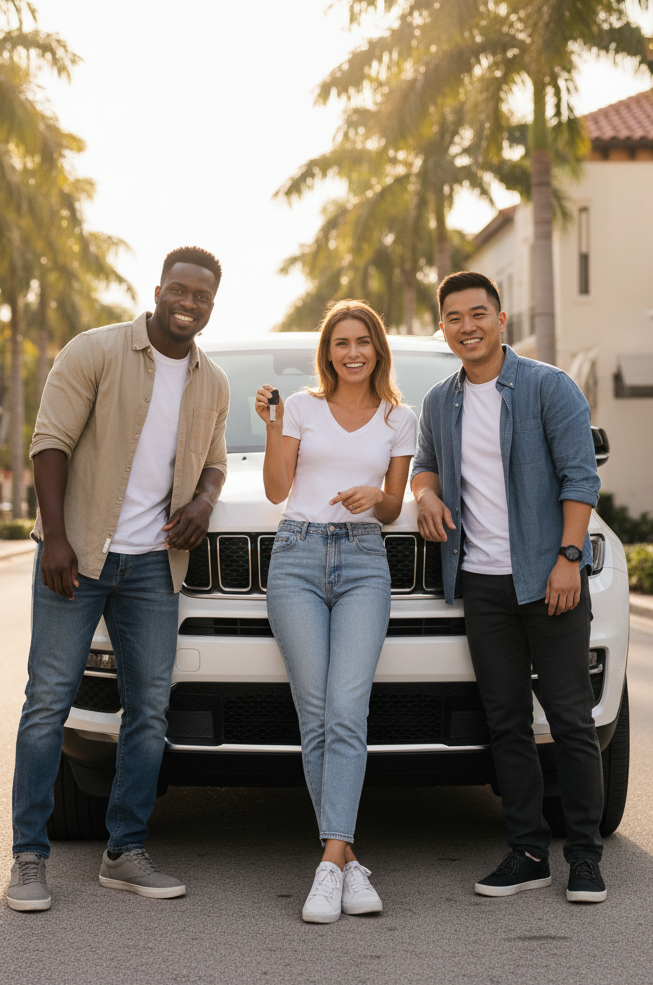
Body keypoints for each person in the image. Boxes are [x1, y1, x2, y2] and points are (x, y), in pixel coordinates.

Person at [7, 246, 230, 912]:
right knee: (48, 702)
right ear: (159, 289)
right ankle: (28, 857)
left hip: (153, 569)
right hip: (79, 555)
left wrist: (202, 502)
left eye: (203, 296)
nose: (189, 303)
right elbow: (50, 442)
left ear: (212, 305)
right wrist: (55, 537)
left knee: (149, 711)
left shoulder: (211, 382)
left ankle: (125, 851)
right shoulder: (96, 351)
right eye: (181, 290)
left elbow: (214, 461)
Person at [411, 271, 607, 904]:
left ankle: (582, 855)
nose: (466, 326)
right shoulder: (441, 401)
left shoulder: (550, 387)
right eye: (453, 318)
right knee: (507, 724)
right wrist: (424, 496)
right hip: (482, 583)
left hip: (548, 580)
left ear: (500, 319)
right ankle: (527, 852)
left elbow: (581, 479)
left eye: (477, 314)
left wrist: (567, 560)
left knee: (572, 722)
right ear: (441, 328)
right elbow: (424, 465)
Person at [255, 301, 416, 924]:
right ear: (327, 352)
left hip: (363, 563)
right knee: (316, 712)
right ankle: (345, 862)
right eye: (341, 342)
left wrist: (380, 495)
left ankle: (329, 862)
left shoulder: (400, 419)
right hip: (296, 558)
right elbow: (275, 490)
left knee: (348, 709)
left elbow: (394, 506)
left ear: (377, 348)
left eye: (363, 341)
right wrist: (272, 426)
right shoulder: (299, 408)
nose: (352, 352)